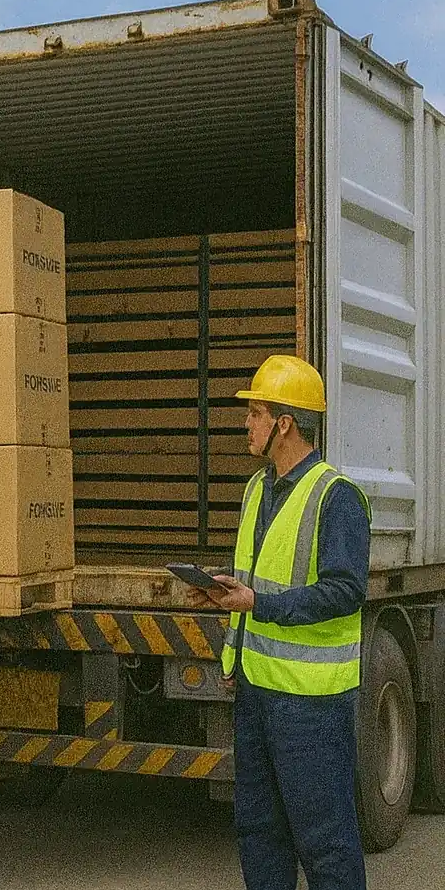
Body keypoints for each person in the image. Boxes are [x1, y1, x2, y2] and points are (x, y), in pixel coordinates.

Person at [188, 355, 371, 890]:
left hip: (310, 705)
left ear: (284, 423)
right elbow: (256, 578)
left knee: (325, 841)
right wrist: (226, 608)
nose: (246, 424)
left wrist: (256, 606)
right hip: (256, 692)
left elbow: (345, 591)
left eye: (256, 413)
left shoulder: (337, 497)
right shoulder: (257, 489)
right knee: (259, 832)